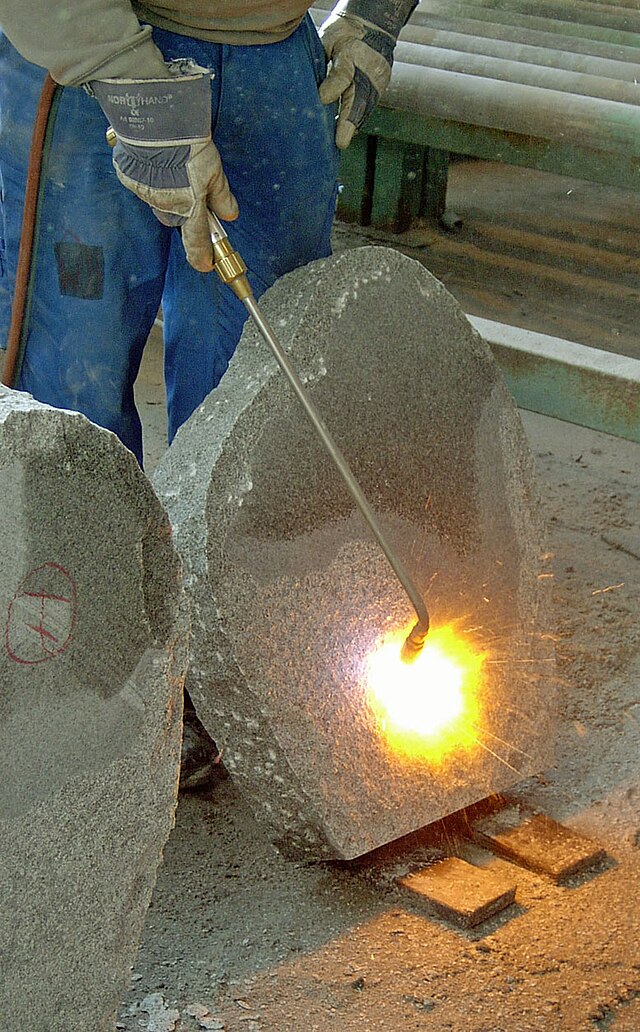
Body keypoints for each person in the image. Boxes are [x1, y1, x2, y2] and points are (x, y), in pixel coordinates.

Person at [0, 0, 417, 787]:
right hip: (88, 47)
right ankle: (80, 659)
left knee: (249, 405)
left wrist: (377, 15)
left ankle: (208, 666)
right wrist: (128, 83)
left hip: (269, 57)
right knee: (71, 400)